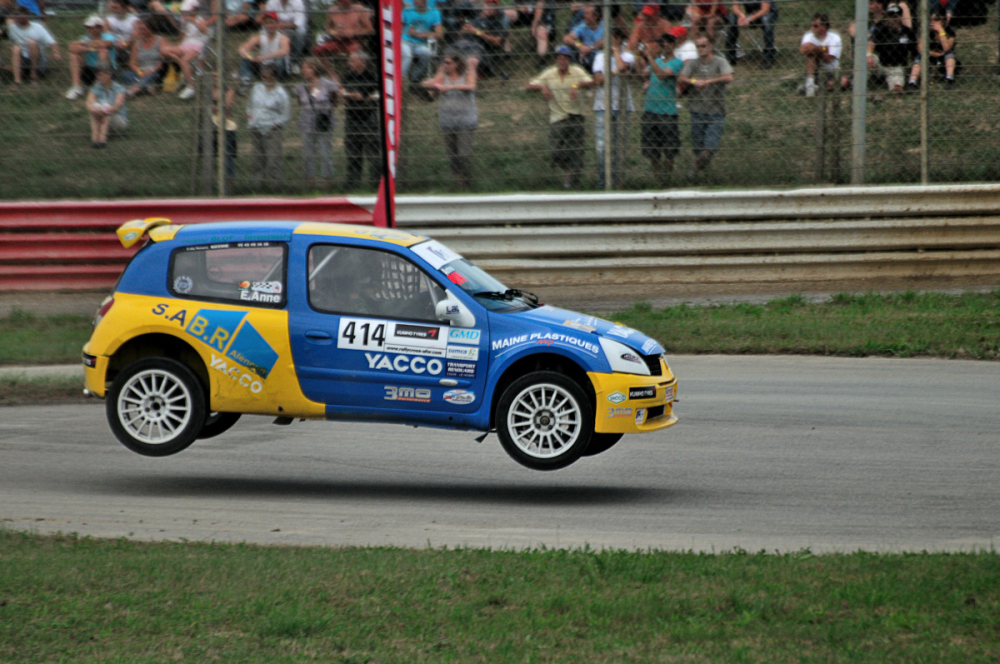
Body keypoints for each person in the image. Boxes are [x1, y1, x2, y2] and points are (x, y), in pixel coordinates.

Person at [526, 44, 595, 189]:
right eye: (559, 58)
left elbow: (590, 81)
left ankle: (572, 183)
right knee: (555, 150)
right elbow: (529, 85)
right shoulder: (550, 73)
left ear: (569, 60)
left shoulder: (576, 71)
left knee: (577, 150)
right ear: (556, 60)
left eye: (565, 59)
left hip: (575, 115)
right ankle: (568, 171)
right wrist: (543, 87)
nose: (562, 61)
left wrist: (576, 86)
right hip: (557, 117)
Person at [678, 36, 733, 178]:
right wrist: (694, 81)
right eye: (698, 46)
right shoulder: (693, 63)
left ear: (710, 46)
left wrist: (709, 81)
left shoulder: (720, 62)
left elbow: (729, 77)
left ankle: (694, 172)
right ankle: (703, 175)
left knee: (710, 147)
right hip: (697, 111)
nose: (701, 49)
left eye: (703, 46)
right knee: (698, 149)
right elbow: (681, 77)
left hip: (716, 111)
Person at [422, 52, 478, 190]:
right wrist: (437, 85)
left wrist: (451, 87)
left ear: (457, 63)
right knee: (452, 155)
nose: (445, 65)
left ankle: (467, 182)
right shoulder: (443, 77)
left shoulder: (467, 74)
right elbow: (425, 83)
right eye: (444, 62)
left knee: (463, 155)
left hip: (465, 121)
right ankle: (458, 185)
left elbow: (471, 86)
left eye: (448, 63)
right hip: (448, 121)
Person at [592, 27, 634, 189]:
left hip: (622, 106)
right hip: (603, 105)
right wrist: (615, 71)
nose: (608, 42)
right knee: (602, 146)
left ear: (619, 40)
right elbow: (598, 80)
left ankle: (618, 183)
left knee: (619, 146)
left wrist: (616, 53)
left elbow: (624, 68)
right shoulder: (599, 57)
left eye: (612, 39)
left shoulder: (628, 55)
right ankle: (603, 182)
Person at [638, 32, 682, 185]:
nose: (661, 46)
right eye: (660, 44)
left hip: (667, 112)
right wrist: (640, 57)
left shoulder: (676, 63)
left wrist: (649, 58)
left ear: (672, 45)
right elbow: (643, 72)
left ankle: (667, 180)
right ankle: (658, 181)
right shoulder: (656, 60)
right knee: (652, 150)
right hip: (650, 110)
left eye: (664, 43)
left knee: (669, 151)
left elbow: (662, 75)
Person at [294, 58, 339, 188]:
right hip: (306, 123)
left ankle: (327, 183)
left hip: (323, 123)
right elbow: (299, 102)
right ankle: (310, 182)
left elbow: (334, 101)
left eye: (308, 67)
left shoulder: (328, 85)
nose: (305, 70)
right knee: (308, 154)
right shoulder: (300, 87)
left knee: (325, 153)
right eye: (303, 68)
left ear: (315, 69)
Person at [340, 50, 381, 189]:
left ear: (362, 62)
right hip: (351, 118)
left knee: (374, 155)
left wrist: (368, 97)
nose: (349, 63)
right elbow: (343, 93)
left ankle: (376, 184)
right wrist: (353, 95)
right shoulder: (347, 77)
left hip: (369, 118)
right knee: (353, 154)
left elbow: (376, 93)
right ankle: (353, 184)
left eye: (352, 60)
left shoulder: (372, 77)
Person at [247, 62, 290, 189]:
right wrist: (250, 119)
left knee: (273, 161)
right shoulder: (256, 88)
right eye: (262, 76)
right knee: (257, 160)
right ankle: (256, 186)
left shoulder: (280, 93)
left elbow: (285, 114)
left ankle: (275, 187)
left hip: (272, 130)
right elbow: (250, 105)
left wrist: (275, 124)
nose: (264, 79)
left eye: (267, 77)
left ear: (274, 77)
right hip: (256, 127)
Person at [161, 0, 213, 100]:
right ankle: (180, 63)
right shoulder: (184, 20)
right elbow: (183, 34)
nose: (185, 14)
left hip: (197, 45)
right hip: (186, 44)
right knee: (164, 50)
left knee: (185, 60)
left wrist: (193, 20)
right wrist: (178, 44)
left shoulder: (200, 19)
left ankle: (191, 86)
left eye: (187, 12)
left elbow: (205, 31)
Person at [450, 0, 508, 79]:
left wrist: (477, 32)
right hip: (463, 45)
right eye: (488, 5)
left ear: (496, 10)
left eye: (493, 7)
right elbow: (458, 35)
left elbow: (497, 42)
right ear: (484, 6)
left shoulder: (497, 22)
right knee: (450, 50)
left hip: (480, 49)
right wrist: (463, 30)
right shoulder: (476, 19)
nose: (489, 8)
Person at [869, 3, 917, 94]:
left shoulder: (907, 32)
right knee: (867, 57)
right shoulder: (881, 30)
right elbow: (871, 43)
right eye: (890, 16)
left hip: (896, 68)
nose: (893, 19)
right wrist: (869, 56)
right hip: (881, 65)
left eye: (895, 16)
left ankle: (896, 86)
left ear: (900, 17)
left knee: (897, 87)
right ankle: (856, 83)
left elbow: (915, 50)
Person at [65, 15, 115, 100]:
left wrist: (84, 44)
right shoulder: (85, 38)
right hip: (90, 70)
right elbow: (71, 47)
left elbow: (104, 44)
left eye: (92, 27)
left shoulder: (109, 37)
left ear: (100, 28)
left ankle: (101, 86)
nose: (90, 30)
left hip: (107, 70)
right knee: (74, 54)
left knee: (103, 52)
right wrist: (91, 48)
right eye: (88, 27)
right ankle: (76, 87)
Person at [238, 12, 291, 92]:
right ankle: (246, 80)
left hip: (277, 67)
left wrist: (264, 57)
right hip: (263, 66)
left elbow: (284, 51)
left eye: (272, 23)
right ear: (263, 25)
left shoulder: (283, 38)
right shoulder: (260, 37)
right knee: (245, 59)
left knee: (280, 60)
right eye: (267, 23)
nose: (269, 26)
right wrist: (251, 57)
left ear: (277, 23)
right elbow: (242, 49)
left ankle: (276, 82)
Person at [8, 13, 61, 87]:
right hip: (23, 59)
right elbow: (12, 42)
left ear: (26, 17)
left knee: (32, 43)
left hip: (38, 62)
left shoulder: (37, 27)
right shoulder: (12, 27)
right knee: (16, 48)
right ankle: (17, 81)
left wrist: (56, 52)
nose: (16, 19)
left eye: (19, 17)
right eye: (15, 17)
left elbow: (52, 42)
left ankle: (33, 76)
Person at [908, 10, 958, 89]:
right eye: (931, 20)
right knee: (919, 58)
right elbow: (920, 49)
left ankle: (949, 79)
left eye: (936, 19)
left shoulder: (949, 32)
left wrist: (940, 31)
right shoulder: (925, 32)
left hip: (943, 56)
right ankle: (912, 82)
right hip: (929, 55)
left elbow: (946, 48)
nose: (932, 22)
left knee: (950, 55)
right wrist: (934, 54)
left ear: (943, 21)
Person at [799, 12, 841, 98]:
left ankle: (816, 87)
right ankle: (810, 88)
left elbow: (829, 59)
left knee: (843, 82)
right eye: (812, 25)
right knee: (811, 57)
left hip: (831, 70)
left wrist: (816, 49)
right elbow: (803, 50)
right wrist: (822, 49)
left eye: (815, 26)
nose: (812, 28)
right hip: (815, 69)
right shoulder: (808, 36)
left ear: (824, 26)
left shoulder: (834, 38)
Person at [85, 66, 128, 149]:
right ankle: (95, 140)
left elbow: (118, 104)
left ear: (109, 75)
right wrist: (94, 110)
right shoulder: (97, 87)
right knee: (94, 112)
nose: (98, 77)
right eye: (97, 75)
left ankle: (102, 141)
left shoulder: (118, 88)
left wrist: (106, 111)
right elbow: (89, 102)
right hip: (99, 115)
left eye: (101, 75)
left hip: (117, 120)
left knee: (107, 113)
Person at [122, 17, 166, 97]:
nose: (141, 32)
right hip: (140, 71)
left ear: (151, 29)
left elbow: (162, 62)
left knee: (152, 76)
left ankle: (133, 90)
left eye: (143, 29)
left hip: (154, 71)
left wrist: (151, 70)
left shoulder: (160, 40)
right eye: (139, 29)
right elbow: (132, 63)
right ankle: (146, 88)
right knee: (125, 75)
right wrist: (139, 71)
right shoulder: (137, 43)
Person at [402, 0, 443, 83]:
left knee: (428, 53)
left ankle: (414, 77)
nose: (416, 1)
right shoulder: (407, 11)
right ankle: (402, 78)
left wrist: (419, 35)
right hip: (405, 40)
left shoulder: (434, 12)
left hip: (420, 43)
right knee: (407, 55)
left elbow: (439, 34)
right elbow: (399, 27)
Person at [725, 1, 776, 68]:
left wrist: (749, 19)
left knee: (766, 20)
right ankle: (730, 55)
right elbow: (735, 7)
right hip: (750, 14)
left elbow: (765, 9)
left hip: (768, 13)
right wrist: (742, 16)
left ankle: (768, 57)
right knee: (732, 19)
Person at [262, 0, 308, 69]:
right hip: (276, 28)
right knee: (263, 31)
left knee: (301, 32)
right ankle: (268, 60)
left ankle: (294, 62)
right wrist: (276, 26)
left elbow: (298, 23)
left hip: (292, 29)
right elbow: (267, 19)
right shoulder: (272, 2)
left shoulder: (298, 2)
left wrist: (284, 25)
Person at [562, 5, 603, 71]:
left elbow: (607, 41)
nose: (584, 15)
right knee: (565, 47)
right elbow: (566, 38)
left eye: (587, 13)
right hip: (584, 53)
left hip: (599, 53)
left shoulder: (604, 25)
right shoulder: (583, 25)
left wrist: (590, 48)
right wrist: (580, 46)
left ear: (595, 17)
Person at [105, 0, 140, 70]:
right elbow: (107, 36)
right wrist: (115, 43)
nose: (113, 10)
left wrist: (126, 43)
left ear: (125, 8)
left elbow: (136, 35)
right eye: (112, 7)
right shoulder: (108, 20)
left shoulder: (134, 20)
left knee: (136, 39)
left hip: (129, 45)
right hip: (114, 46)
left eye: (116, 8)